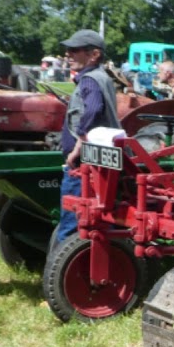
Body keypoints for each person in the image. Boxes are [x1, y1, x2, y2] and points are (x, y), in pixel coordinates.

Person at [54, 29, 120, 251]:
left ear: (94, 55)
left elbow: (92, 109)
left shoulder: (90, 80)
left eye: (74, 50)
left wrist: (79, 143)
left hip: (83, 165)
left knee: (72, 223)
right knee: (96, 220)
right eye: (68, 50)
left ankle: (64, 263)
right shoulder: (100, 78)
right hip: (95, 163)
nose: (68, 54)